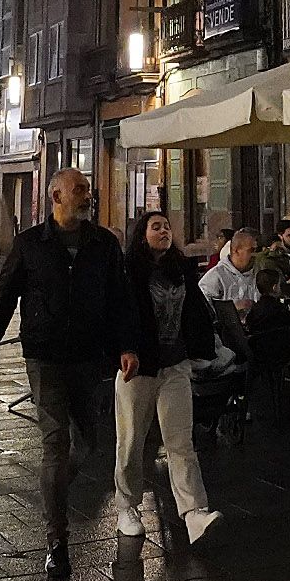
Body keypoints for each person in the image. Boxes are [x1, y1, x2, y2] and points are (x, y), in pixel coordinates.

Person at [0, 168, 146, 578]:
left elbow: (120, 299)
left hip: (89, 358)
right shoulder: (31, 244)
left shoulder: (103, 244)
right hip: (46, 358)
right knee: (55, 442)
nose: (87, 195)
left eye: (87, 188)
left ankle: (52, 489)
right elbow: (2, 300)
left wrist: (127, 345)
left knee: (86, 444)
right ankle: (57, 538)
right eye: (79, 190)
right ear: (55, 196)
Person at [114, 212, 221, 545]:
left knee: (180, 442)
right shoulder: (129, 271)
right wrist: (124, 348)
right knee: (132, 443)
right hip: (138, 368)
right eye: (155, 227)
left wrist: (199, 346)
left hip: (175, 366)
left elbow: (195, 311)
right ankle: (126, 505)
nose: (163, 231)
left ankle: (193, 513)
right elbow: (118, 312)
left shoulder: (181, 270)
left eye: (166, 227)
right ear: (141, 234)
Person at [200, 227, 263, 312]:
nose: (256, 254)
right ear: (236, 250)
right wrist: (232, 308)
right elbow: (203, 310)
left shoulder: (260, 273)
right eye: (252, 250)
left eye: (258, 250)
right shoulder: (215, 277)